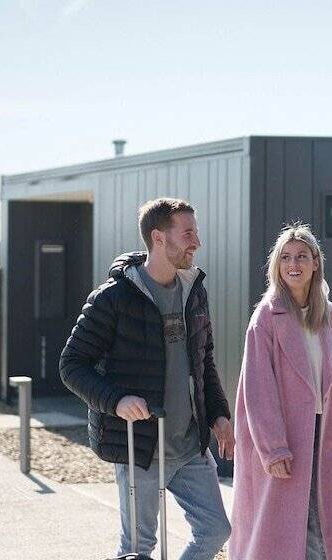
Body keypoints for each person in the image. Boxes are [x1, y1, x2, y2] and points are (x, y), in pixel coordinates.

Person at [59, 197, 233, 560]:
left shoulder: (194, 291)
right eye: (187, 234)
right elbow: (72, 365)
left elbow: (204, 361)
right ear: (158, 238)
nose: (197, 242)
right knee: (138, 549)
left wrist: (219, 414)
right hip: (140, 448)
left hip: (189, 445)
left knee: (216, 530)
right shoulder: (113, 298)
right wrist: (117, 401)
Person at [229, 223, 332, 560]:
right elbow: (257, 389)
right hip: (282, 439)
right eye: (285, 257)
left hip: (322, 437)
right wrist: (273, 449)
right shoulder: (266, 318)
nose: (293, 264)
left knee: (321, 527)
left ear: (315, 262)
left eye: (301, 256)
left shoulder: (330, 317)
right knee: (282, 533)